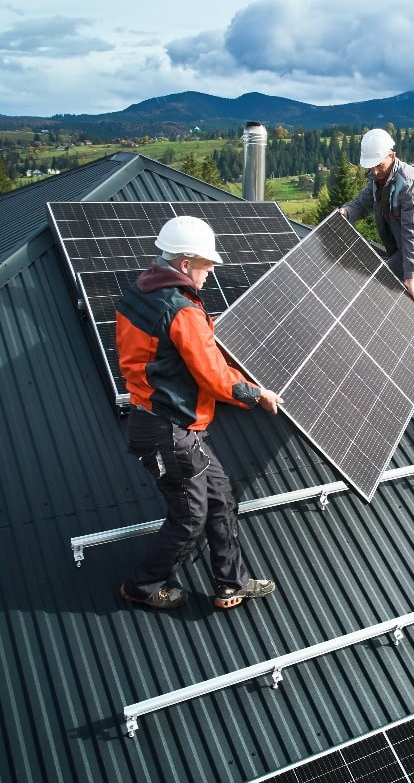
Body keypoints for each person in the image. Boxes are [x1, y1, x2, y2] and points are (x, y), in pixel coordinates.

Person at [115, 215, 283, 611]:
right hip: (166, 431)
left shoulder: (140, 290)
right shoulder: (181, 311)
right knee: (190, 518)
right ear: (185, 263)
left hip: (173, 427)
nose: (211, 272)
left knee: (221, 499)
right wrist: (256, 394)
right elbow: (212, 377)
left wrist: (202, 330)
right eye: (208, 264)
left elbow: (164, 344)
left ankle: (230, 583)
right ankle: (141, 586)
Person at [339, 128, 414, 304]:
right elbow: (361, 204)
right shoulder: (378, 181)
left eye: (379, 165)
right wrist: (345, 213)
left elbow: (412, 231)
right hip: (407, 250)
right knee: (378, 286)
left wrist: (410, 275)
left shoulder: (409, 185)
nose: (375, 171)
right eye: (371, 167)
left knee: (409, 305)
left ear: (392, 156)